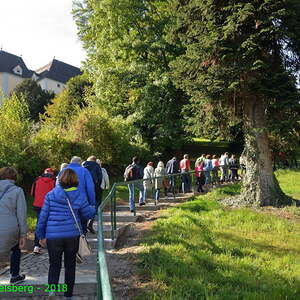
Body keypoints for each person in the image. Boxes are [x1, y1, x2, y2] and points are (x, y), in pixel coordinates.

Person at [36, 168, 95, 300]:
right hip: (72, 235)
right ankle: (68, 295)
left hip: (53, 236)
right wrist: (93, 207)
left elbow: (43, 217)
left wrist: (41, 235)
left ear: (60, 179)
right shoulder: (80, 195)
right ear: (75, 180)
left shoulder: (51, 195)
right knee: (70, 266)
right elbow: (88, 214)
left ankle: (52, 291)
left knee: (54, 264)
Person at [0, 167, 27, 284]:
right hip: (9, 228)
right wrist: (23, 234)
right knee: (15, 249)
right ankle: (14, 276)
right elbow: (21, 214)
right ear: (14, 178)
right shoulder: (17, 191)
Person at [58, 156, 95, 235]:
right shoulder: (85, 171)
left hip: (66, 202)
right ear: (80, 163)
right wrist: (92, 203)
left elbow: (58, 188)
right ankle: (81, 244)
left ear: (71, 162)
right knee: (82, 225)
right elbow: (90, 188)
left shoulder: (63, 171)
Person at [31, 168, 56, 254]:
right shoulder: (54, 181)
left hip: (38, 205)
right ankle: (49, 244)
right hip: (49, 205)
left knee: (39, 223)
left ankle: (36, 245)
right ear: (52, 173)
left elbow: (32, 193)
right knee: (50, 224)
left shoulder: (37, 180)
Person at [82, 156, 103, 234]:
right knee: (94, 205)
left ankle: (83, 226)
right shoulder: (96, 166)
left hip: (83, 189)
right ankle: (90, 223)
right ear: (94, 160)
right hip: (94, 188)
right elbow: (100, 178)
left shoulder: (83, 165)